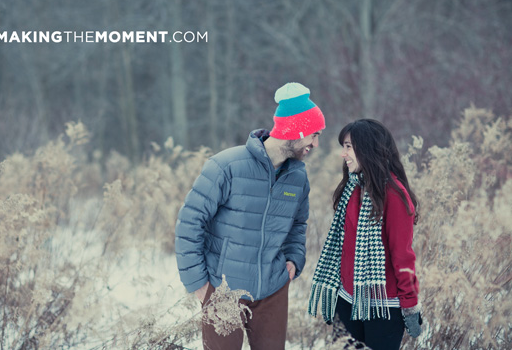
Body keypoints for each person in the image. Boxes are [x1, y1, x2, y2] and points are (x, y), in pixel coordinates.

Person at [175, 82, 326, 350]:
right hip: (223, 290)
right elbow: (190, 222)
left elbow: (297, 224)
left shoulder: (298, 177)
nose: (315, 144)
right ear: (295, 130)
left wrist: (293, 258)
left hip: (272, 289)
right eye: (314, 135)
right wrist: (199, 284)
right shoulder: (226, 166)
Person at [308, 119, 422, 350]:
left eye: (348, 146)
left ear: (367, 148)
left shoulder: (394, 195)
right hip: (348, 300)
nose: (343, 154)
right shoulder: (353, 188)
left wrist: (409, 305)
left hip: (383, 308)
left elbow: (403, 256)